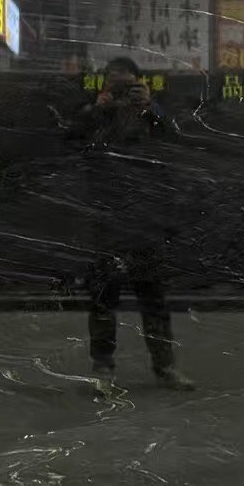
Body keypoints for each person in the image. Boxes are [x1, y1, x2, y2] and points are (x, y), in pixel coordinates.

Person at [74, 57, 195, 392]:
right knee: (104, 298)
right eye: (115, 85)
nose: (122, 93)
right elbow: (73, 142)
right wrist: (98, 111)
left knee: (153, 297)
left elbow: (176, 139)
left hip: (146, 218)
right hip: (108, 217)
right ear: (104, 85)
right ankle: (103, 369)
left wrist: (150, 107)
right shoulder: (95, 113)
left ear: (140, 83)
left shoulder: (152, 114)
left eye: (128, 86)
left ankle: (165, 367)